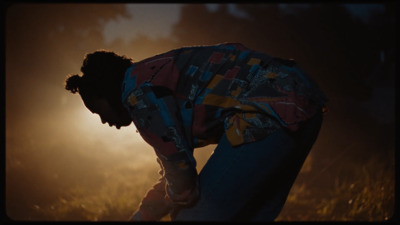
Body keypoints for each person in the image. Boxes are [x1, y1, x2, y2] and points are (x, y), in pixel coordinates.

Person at [64, 43, 328, 221]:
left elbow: (180, 174)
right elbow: (176, 166)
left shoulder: (137, 94)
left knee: (190, 216)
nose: (103, 122)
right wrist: (151, 208)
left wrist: (160, 207)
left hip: (268, 111)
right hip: (302, 103)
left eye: (98, 111)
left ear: (106, 92)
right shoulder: (150, 77)